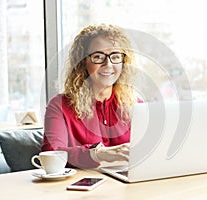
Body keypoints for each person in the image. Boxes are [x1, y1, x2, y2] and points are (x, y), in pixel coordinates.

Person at [41, 24, 140, 169]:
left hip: (128, 185)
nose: (108, 64)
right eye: (98, 57)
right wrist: (97, 153)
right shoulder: (59, 106)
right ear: (83, 62)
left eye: (116, 57)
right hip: (80, 188)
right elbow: (52, 154)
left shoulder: (135, 103)